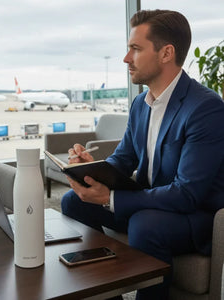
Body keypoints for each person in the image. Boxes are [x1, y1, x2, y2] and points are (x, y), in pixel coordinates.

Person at [61, 9, 224, 300]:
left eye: (135, 49)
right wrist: (92, 169)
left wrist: (111, 199)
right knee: (73, 201)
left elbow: (188, 194)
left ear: (166, 53)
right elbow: (122, 160)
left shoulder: (206, 108)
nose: (126, 58)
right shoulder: (140, 103)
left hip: (196, 216)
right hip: (151, 204)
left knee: (145, 224)